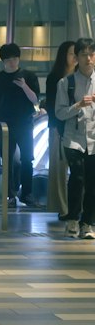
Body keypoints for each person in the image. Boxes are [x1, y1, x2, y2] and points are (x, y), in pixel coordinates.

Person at [0, 41, 42, 207]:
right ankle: (9, 196)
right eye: (8, 59)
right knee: (6, 160)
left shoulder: (29, 77)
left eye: (15, 58)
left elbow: (36, 99)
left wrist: (24, 86)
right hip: (4, 126)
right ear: (3, 61)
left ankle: (27, 193)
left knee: (27, 159)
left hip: (25, 123)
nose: (12, 62)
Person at [56, 36, 95, 239]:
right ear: (76, 57)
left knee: (92, 182)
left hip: (93, 139)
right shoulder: (66, 83)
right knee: (78, 177)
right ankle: (73, 219)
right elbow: (59, 113)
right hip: (73, 138)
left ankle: (87, 223)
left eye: (91, 54)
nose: (88, 58)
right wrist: (78, 105)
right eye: (83, 54)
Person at [46, 39, 76, 220]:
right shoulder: (55, 78)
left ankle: (75, 207)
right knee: (59, 170)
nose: (75, 57)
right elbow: (51, 105)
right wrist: (56, 126)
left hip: (78, 128)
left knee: (79, 171)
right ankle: (63, 208)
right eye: (72, 53)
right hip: (58, 128)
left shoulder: (84, 78)